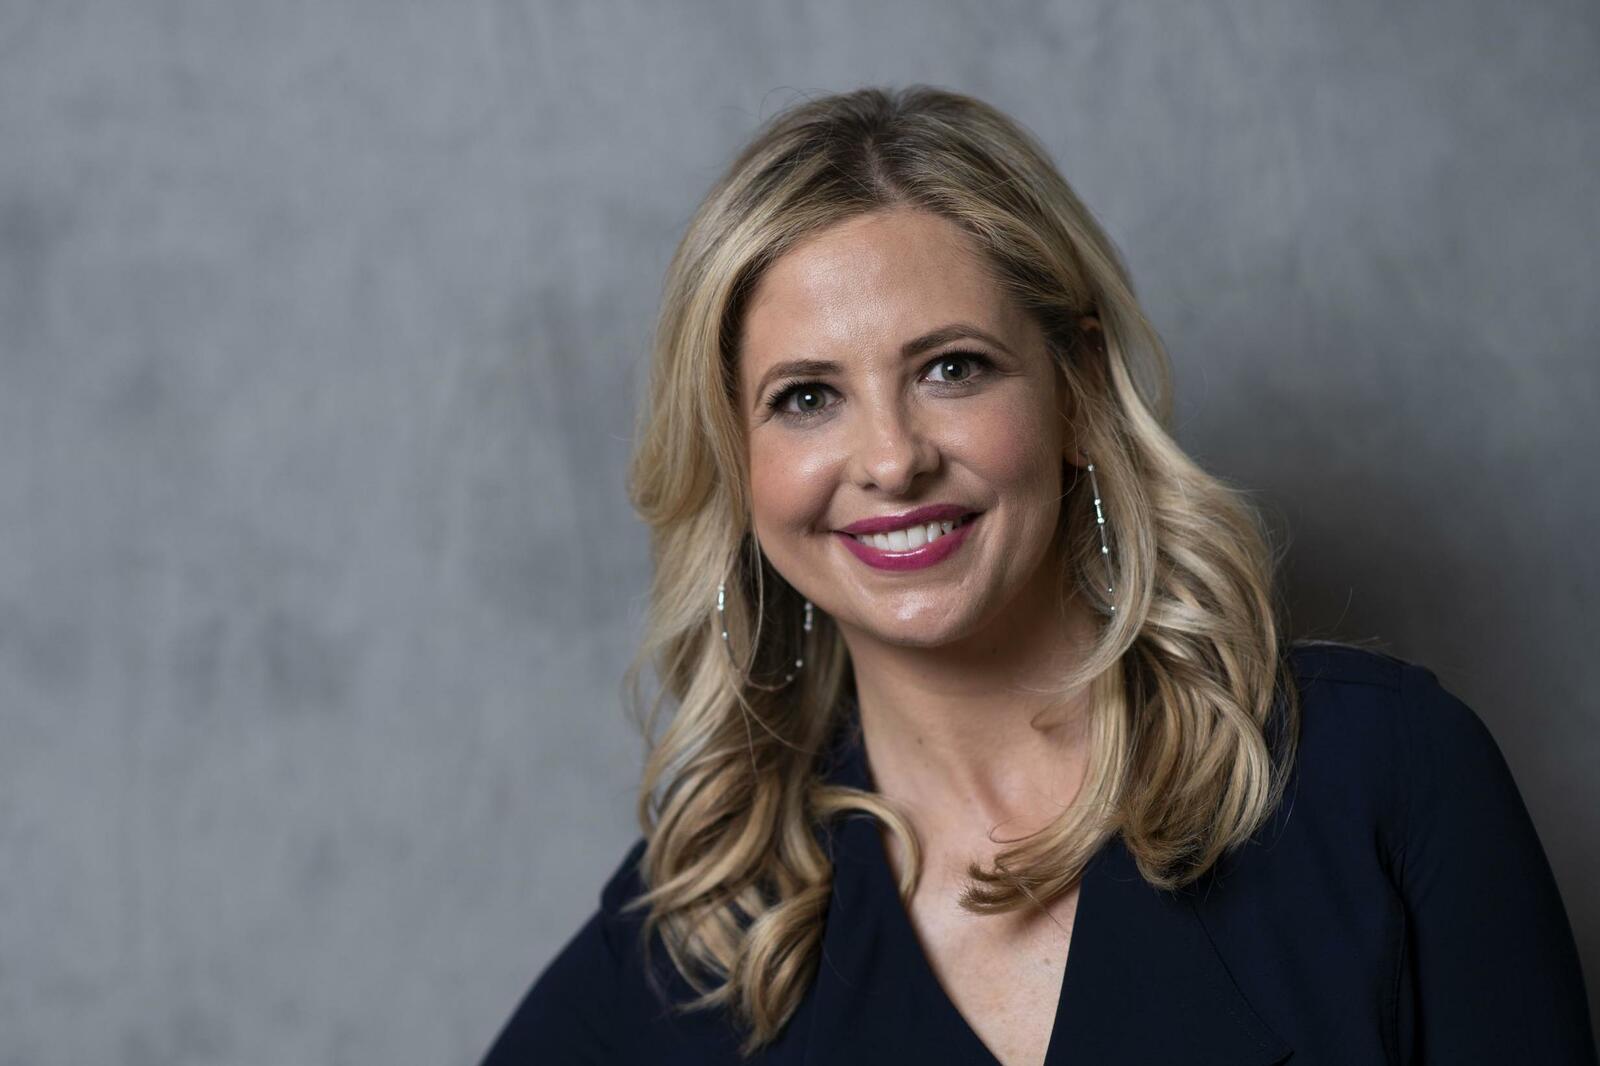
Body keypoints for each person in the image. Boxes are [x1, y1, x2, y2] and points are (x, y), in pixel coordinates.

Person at [478, 85, 1596, 1065]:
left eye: (952, 368)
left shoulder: (1381, 777)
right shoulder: (708, 932)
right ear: (738, 460)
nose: (891, 459)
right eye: (806, 397)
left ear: (1078, 392)